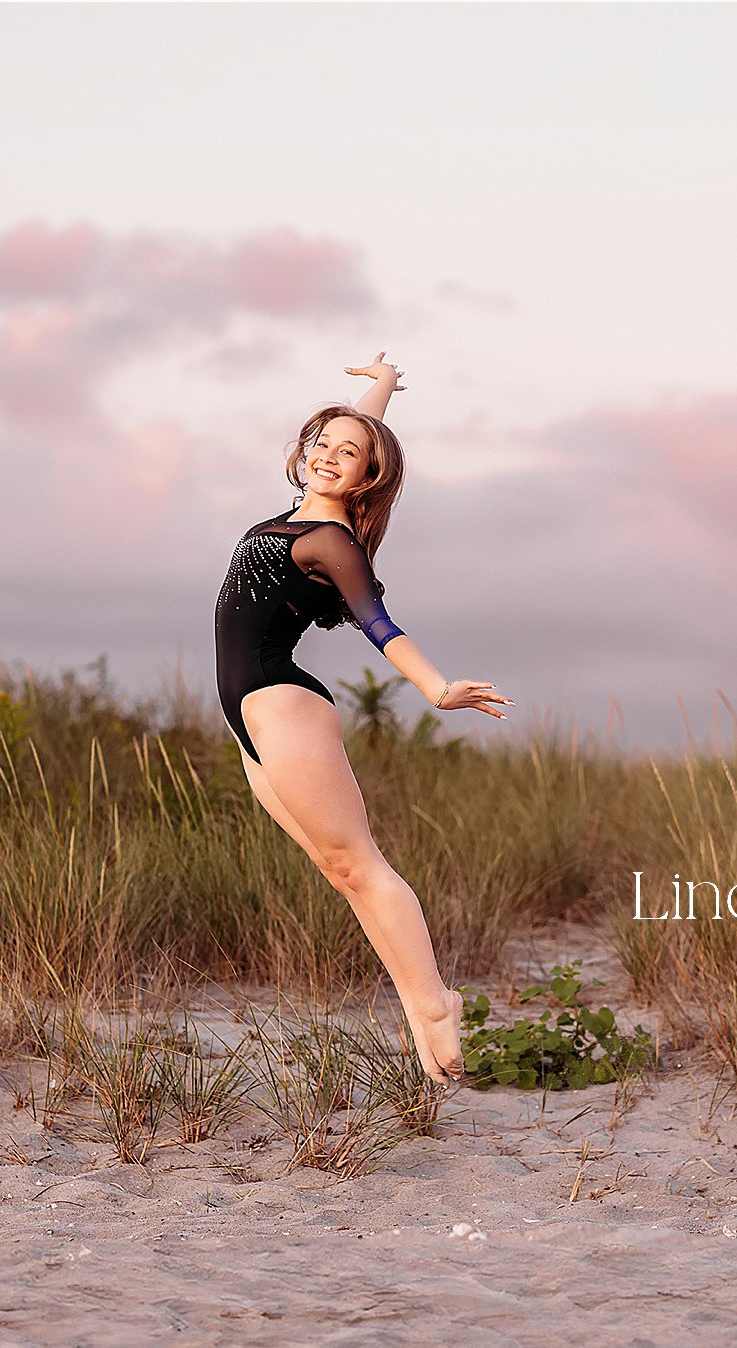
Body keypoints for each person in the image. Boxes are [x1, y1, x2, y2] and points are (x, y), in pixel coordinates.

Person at [213, 353, 512, 1085]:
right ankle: (427, 1015)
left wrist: (437, 688)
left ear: (367, 477)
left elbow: (380, 624)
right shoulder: (299, 515)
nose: (328, 456)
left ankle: (436, 1005)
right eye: (322, 442)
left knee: (359, 863)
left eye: (348, 454)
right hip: (246, 715)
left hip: (283, 703)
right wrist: (379, 386)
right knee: (336, 868)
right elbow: (365, 429)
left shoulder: (334, 543)